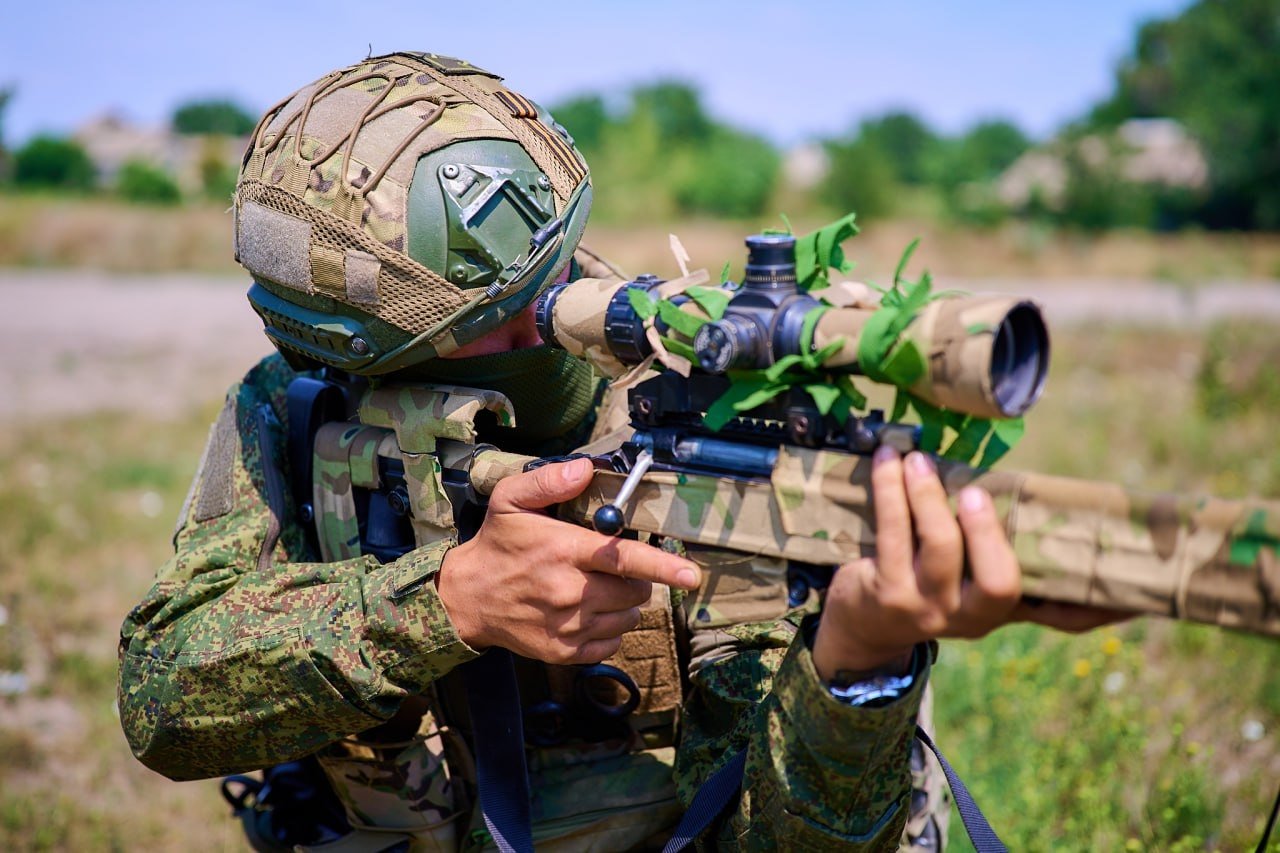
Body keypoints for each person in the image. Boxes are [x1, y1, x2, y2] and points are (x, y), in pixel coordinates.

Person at [117, 52, 1115, 851]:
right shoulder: (293, 411)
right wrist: (448, 602)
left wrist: (859, 660)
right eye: (490, 323)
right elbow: (161, 697)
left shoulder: (709, 411)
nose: (540, 332)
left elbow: (792, 835)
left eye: (550, 285)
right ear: (360, 354)